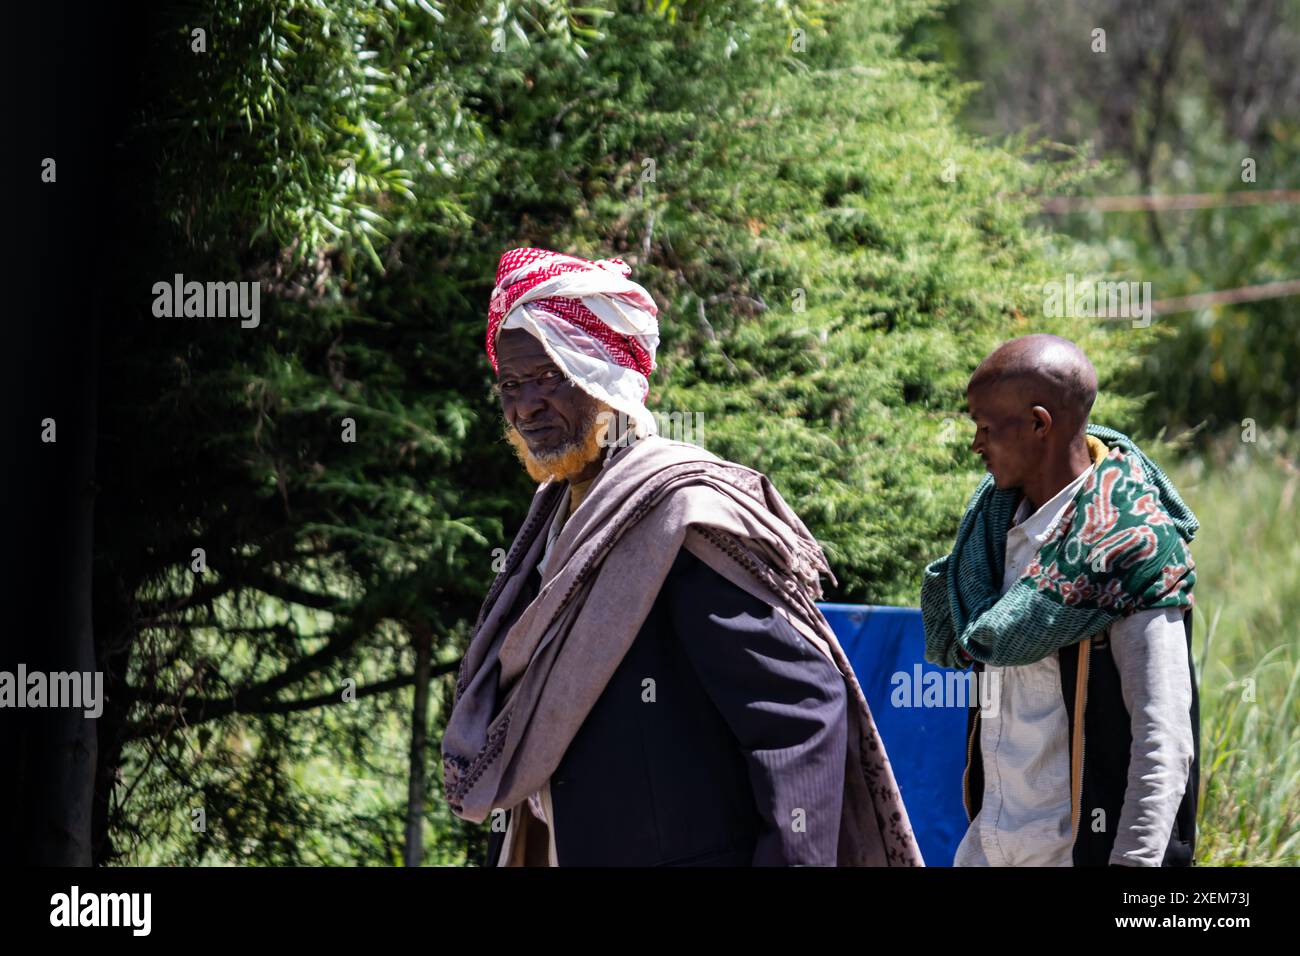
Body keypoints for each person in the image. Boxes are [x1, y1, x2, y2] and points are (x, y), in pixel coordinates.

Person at [441, 246, 921, 866]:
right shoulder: (559, 519)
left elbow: (798, 717)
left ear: (604, 371)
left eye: (549, 376)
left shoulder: (681, 518)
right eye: (510, 383)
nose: (524, 405)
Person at [921, 334, 1200, 866]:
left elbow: (1162, 739)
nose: (975, 445)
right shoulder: (988, 540)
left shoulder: (1131, 549)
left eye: (985, 427)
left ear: (1039, 424)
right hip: (988, 849)